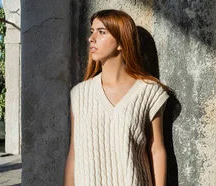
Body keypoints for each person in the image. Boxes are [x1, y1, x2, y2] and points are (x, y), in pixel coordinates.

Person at [64, 9, 169, 186]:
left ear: (121, 42)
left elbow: (156, 150)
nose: (92, 38)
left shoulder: (149, 92)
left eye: (101, 32)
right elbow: (74, 153)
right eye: (92, 31)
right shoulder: (80, 94)